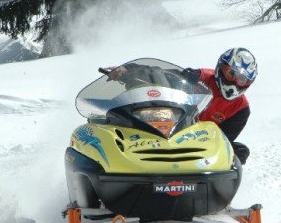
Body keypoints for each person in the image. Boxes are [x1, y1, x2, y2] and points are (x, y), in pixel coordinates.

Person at [106, 48, 257, 165]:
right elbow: (160, 74)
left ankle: (220, 192)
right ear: (221, 68)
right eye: (231, 74)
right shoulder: (199, 77)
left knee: (240, 152)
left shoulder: (241, 109)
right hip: (170, 129)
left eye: (242, 79)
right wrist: (129, 69)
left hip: (201, 144)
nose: (235, 82)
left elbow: (224, 139)